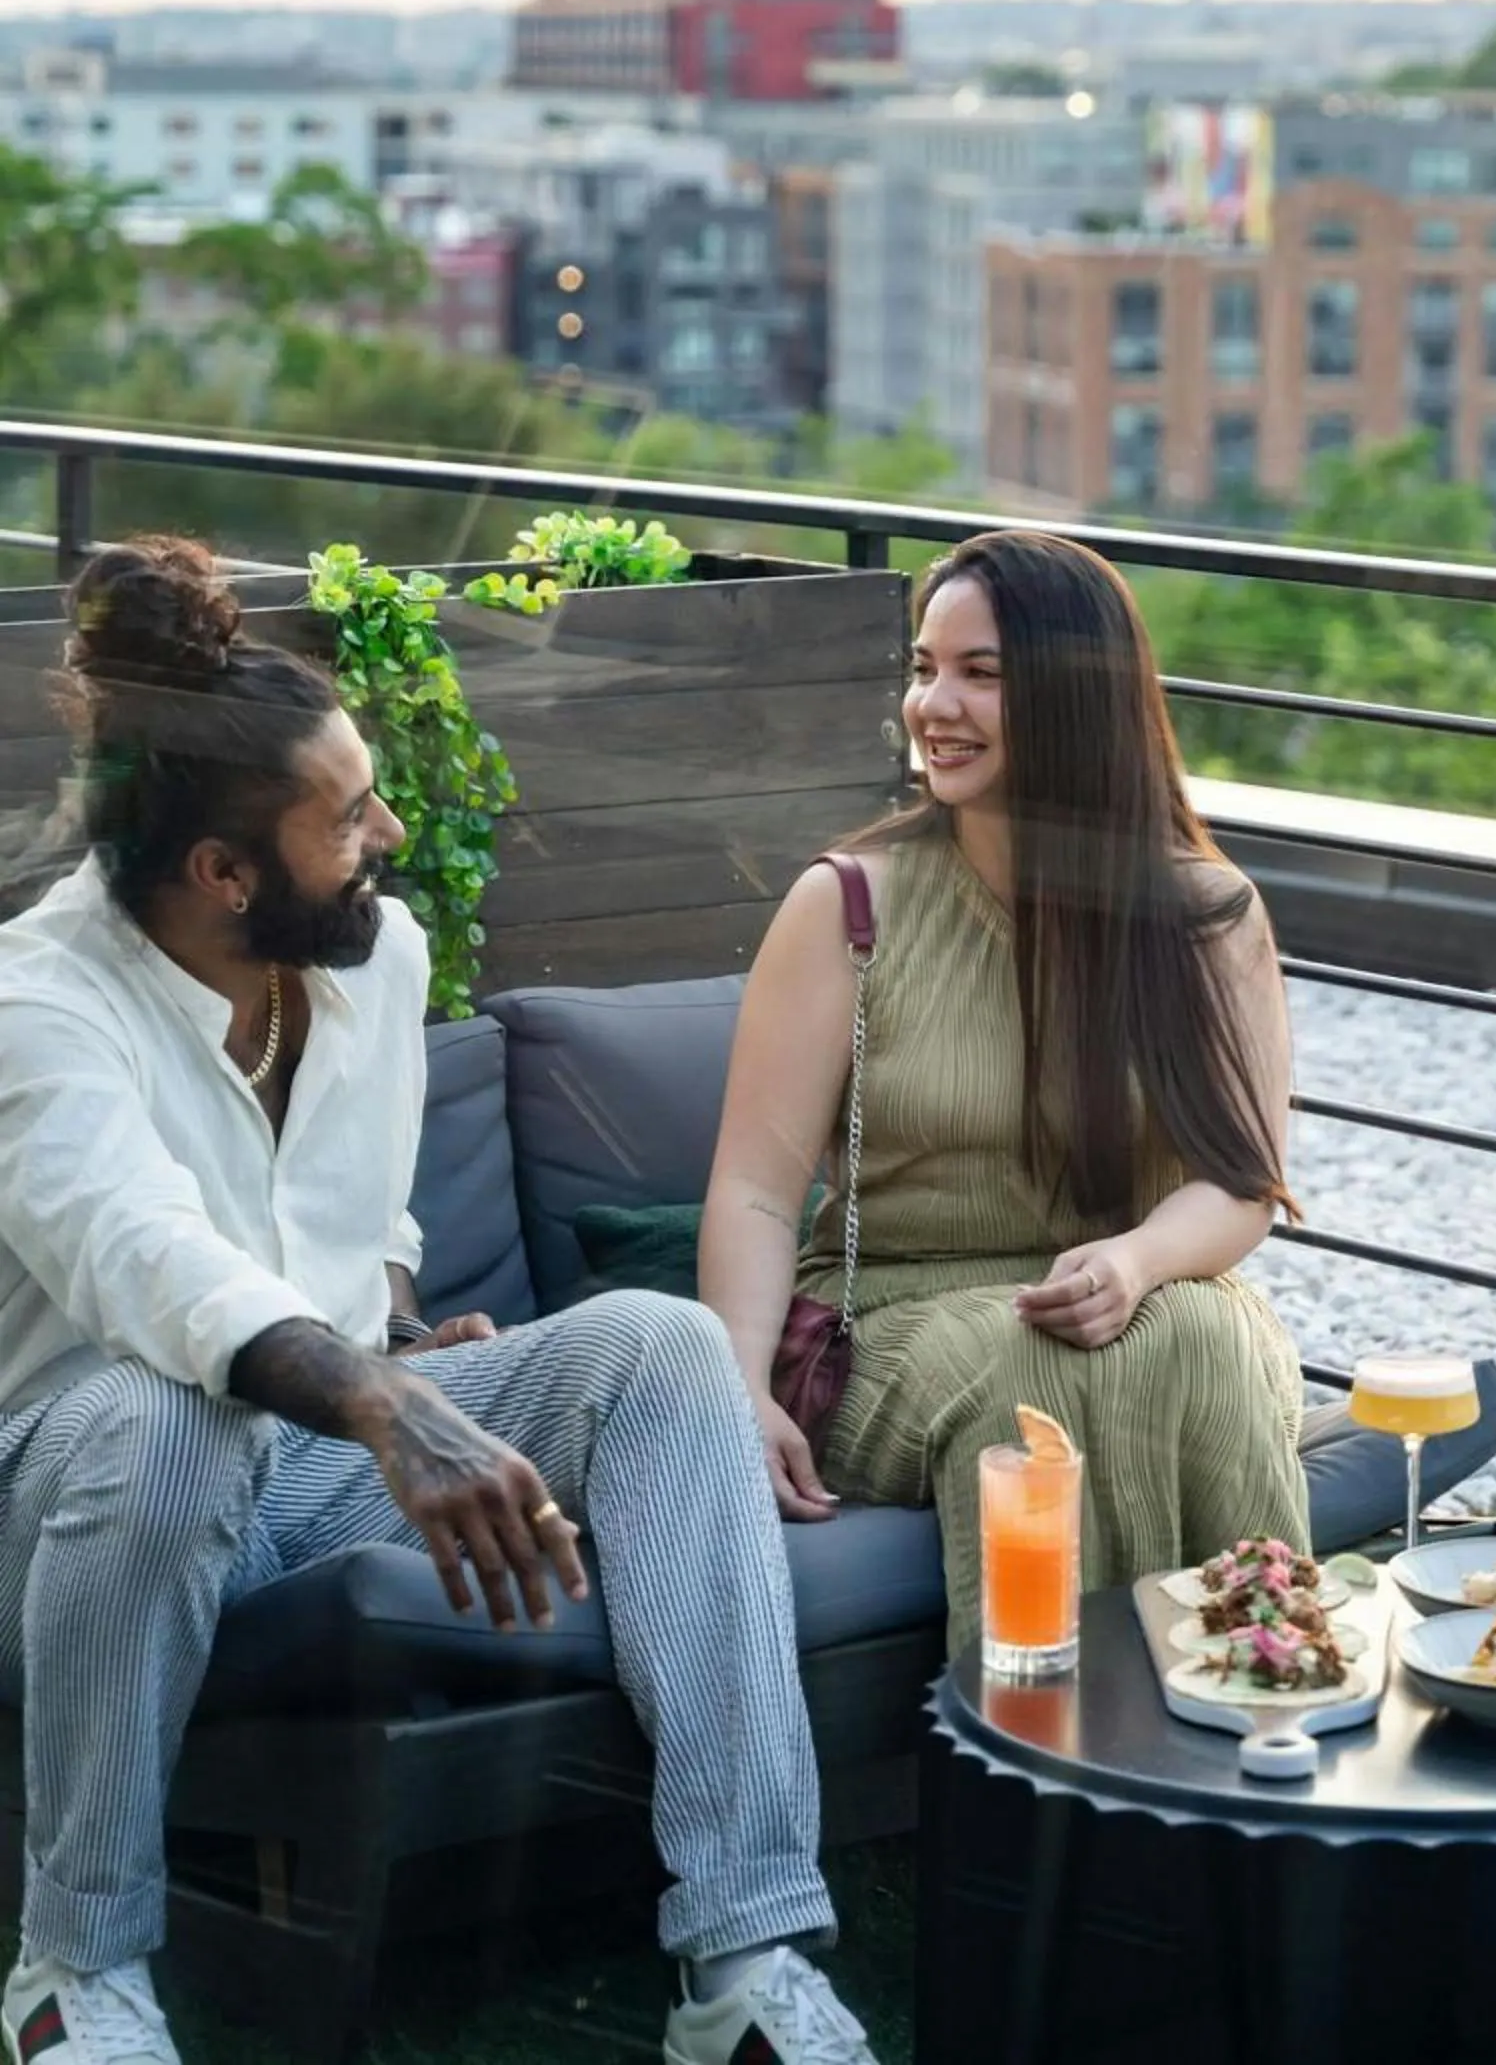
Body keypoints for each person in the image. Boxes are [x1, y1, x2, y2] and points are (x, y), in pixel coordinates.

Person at [0, 538, 876, 2065]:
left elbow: (363, 1215)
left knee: (661, 1346)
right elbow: (143, 1254)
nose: (392, 833)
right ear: (223, 874)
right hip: (80, 1491)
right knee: (164, 1414)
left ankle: (747, 1961)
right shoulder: (36, 1004)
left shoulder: (375, 958)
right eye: (348, 818)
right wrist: (386, 1403)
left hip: (320, 1451)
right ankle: (77, 1970)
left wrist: (398, 1334)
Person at [702, 528, 1308, 1648]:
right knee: (1040, 1367)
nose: (932, 705)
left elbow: (1237, 1183)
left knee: (1203, 1336)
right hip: (893, 1323)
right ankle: (1061, 1737)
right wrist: (738, 1389)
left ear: (1080, 698)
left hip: (1144, 1294)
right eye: (923, 668)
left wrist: (1134, 1262)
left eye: (980, 673)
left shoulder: (1205, 917)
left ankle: (1252, 1698)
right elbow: (753, 1189)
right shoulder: (848, 908)